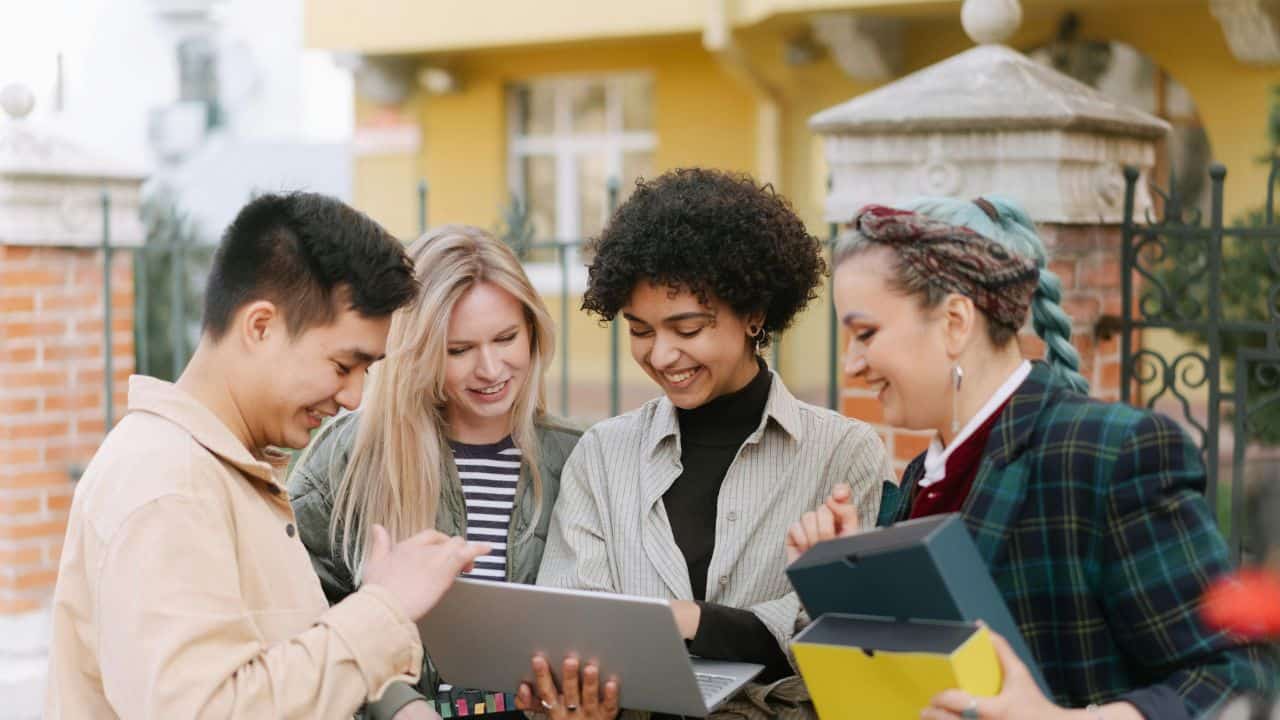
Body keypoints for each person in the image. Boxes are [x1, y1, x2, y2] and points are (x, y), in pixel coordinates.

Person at [786, 197, 1276, 720]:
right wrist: (851, 586)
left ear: (955, 321)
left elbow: (1233, 678)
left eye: (865, 334)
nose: (853, 364)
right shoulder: (918, 480)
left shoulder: (1110, 452)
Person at [44, 192, 490, 718]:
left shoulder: (223, 471)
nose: (354, 397)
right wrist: (384, 607)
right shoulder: (168, 487)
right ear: (260, 326)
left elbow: (271, 672)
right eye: (345, 364)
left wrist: (390, 690)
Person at [529, 168, 894, 719]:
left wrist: (685, 620)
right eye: (640, 330)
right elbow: (575, 623)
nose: (661, 355)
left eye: (689, 328)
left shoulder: (843, 454)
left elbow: (838, 633)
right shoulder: (603, 454)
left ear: (753, 314)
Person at [289, 225, 611, 720]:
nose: (490, 369)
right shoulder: (349, 454)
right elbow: (302, 612)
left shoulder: (581, 456)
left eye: (506, 338)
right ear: (415, 352)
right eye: (458, 350)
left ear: (532, 331)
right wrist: (395, 704)